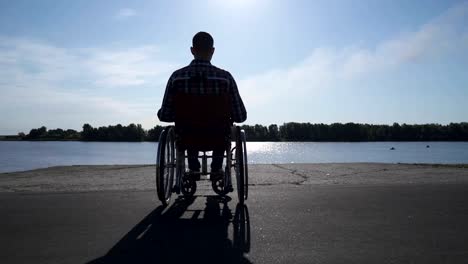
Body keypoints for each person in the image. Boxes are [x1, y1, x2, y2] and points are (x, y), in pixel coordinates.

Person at [157, 31, 247, 179]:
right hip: (218, 135)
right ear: (212, 51)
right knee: (220, 133)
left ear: (192, 50)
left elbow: (165, 116)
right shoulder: (225, 78)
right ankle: (217, 169)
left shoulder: (176, 78)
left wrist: (166, 113)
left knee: (188, 129)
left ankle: (193, 168)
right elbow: (241, 116)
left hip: (187, 135)